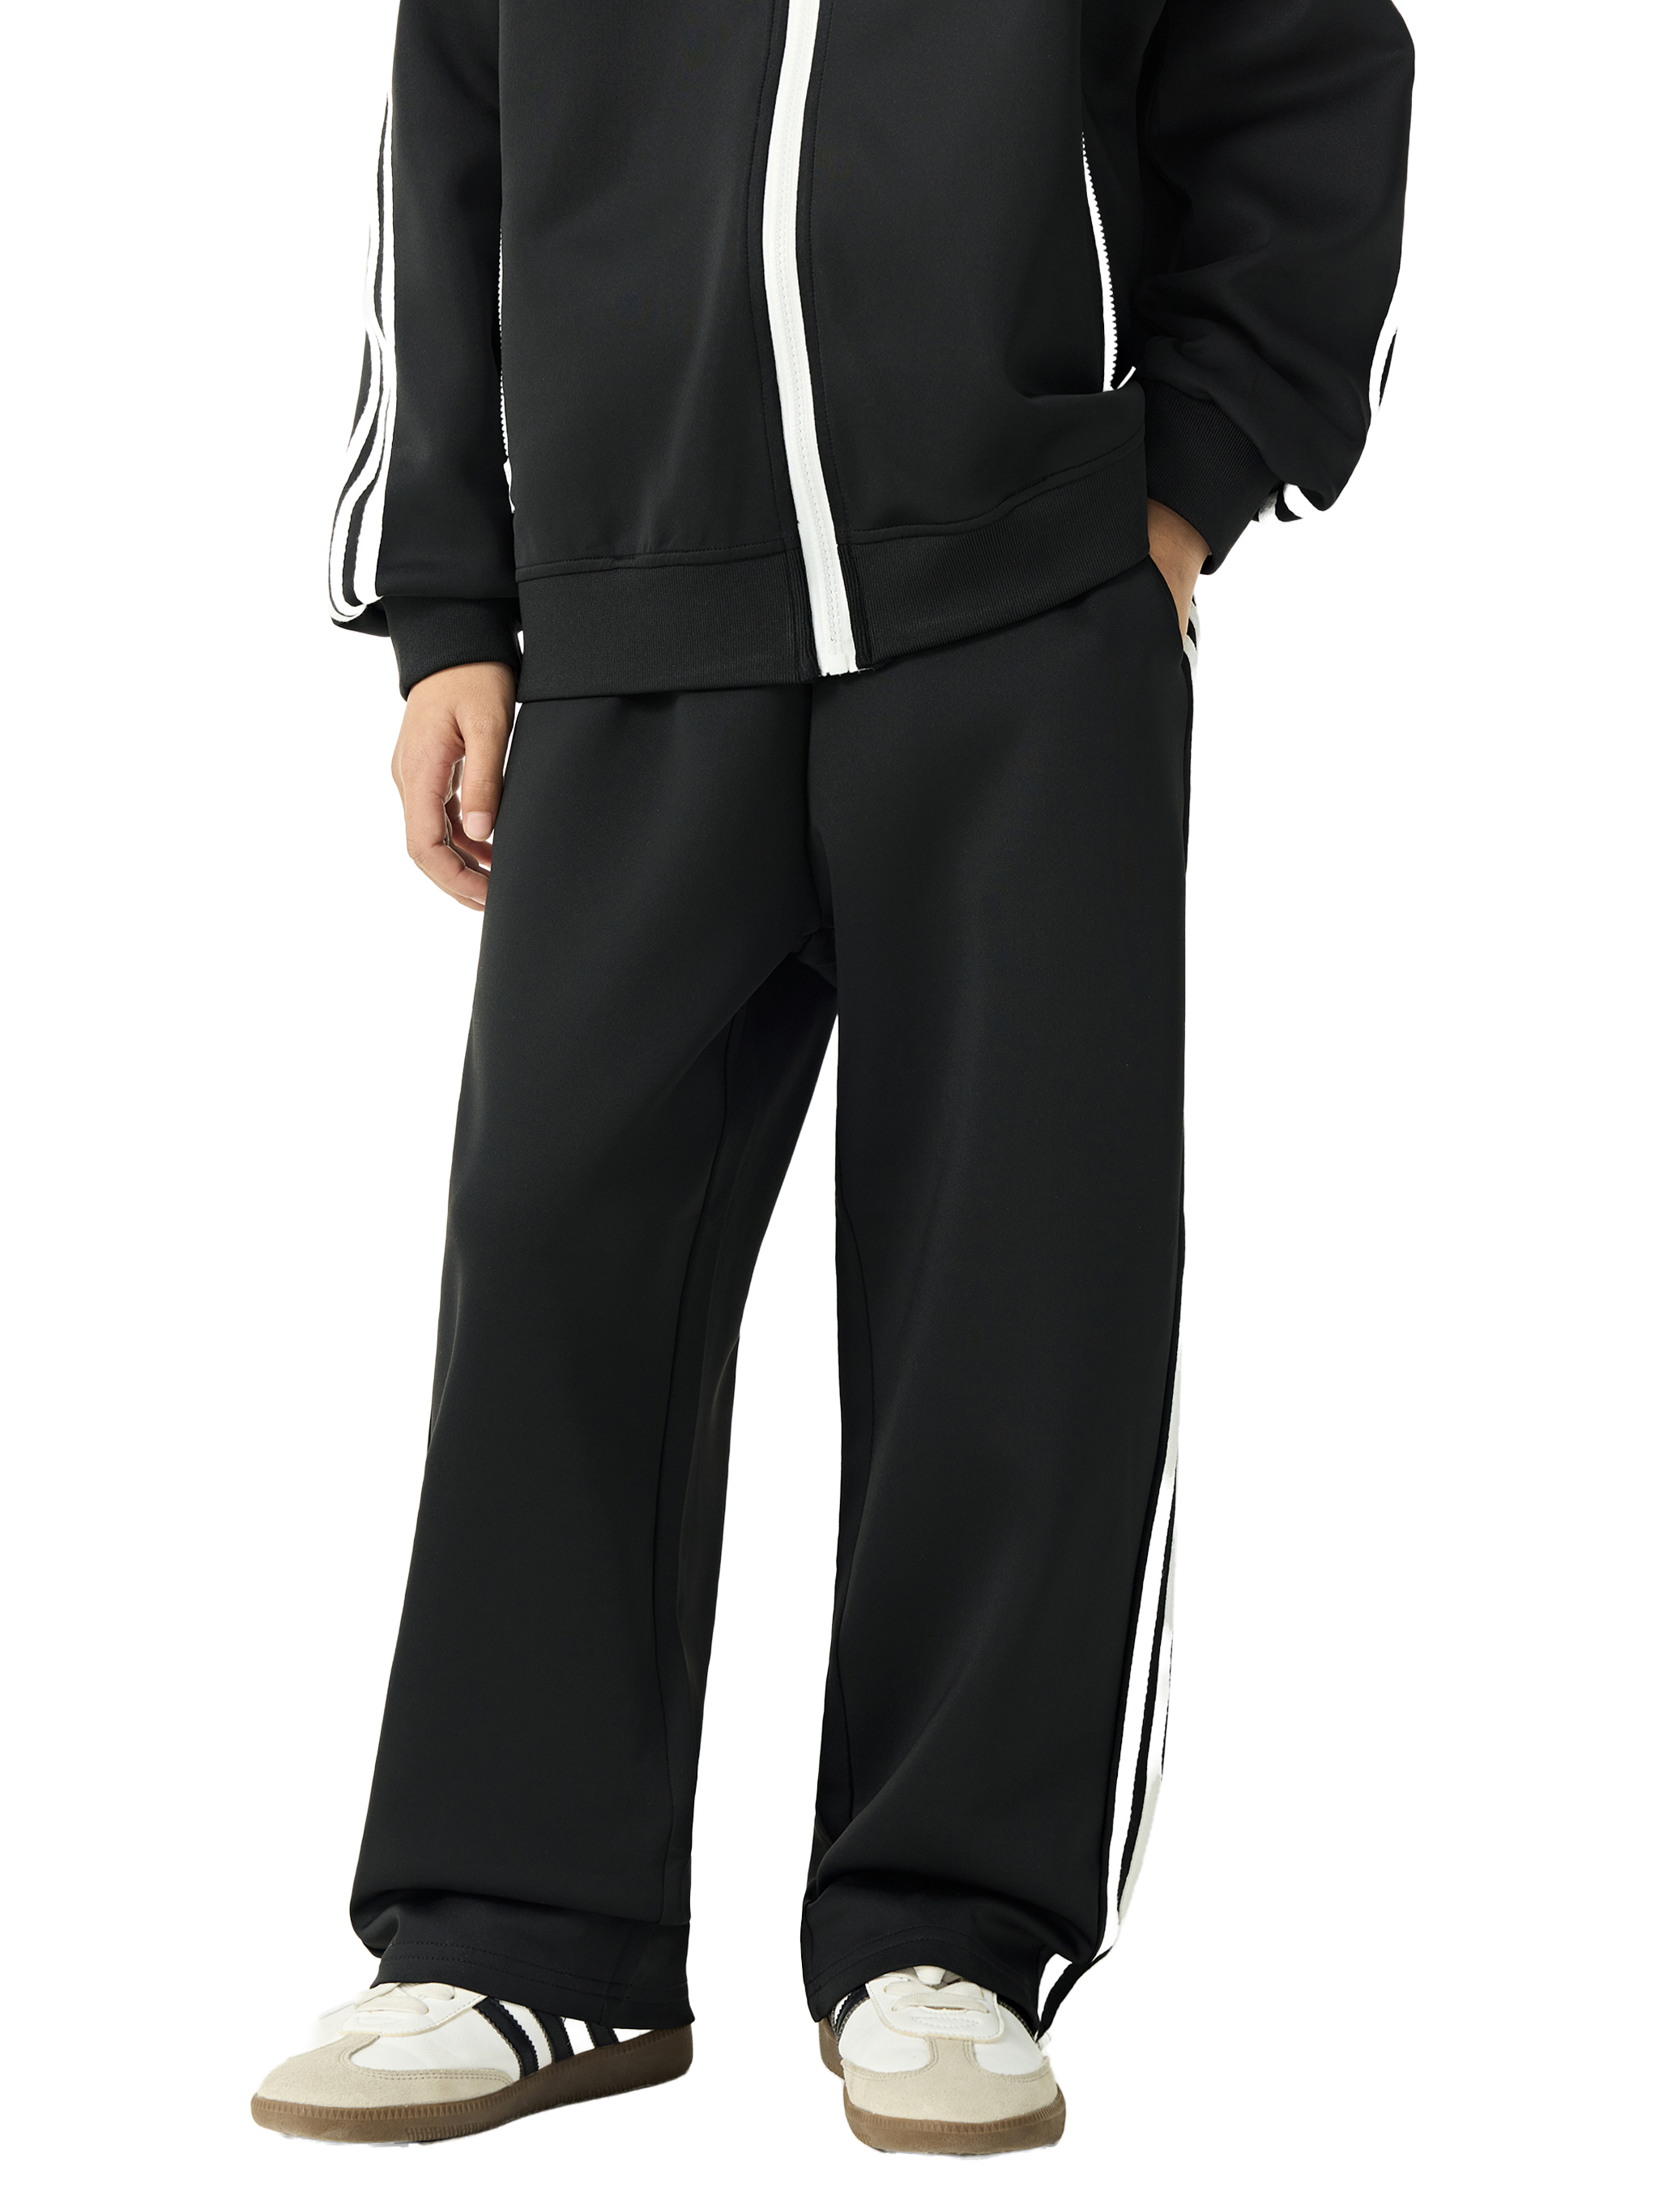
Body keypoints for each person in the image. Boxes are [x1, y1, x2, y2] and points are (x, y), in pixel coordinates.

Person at [253, 0, 1413, 2156]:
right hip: (627, 617)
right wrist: (447, 606)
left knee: (1019, 1270)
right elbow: (447, 139)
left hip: (1023, 610)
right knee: (555, 1257)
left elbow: (1312, 66)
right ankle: (522, 1935)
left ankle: (949, 1930)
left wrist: (1189, 482)